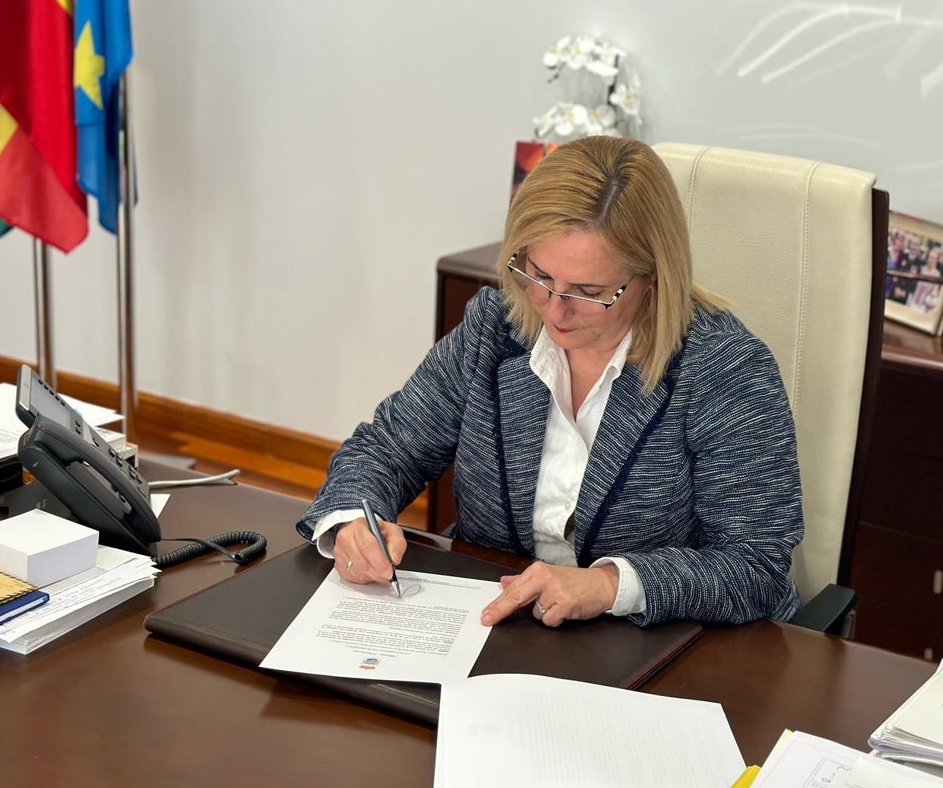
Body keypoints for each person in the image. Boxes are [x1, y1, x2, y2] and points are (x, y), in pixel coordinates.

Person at [295, 136, 804, 628]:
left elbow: (754, 565)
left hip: (659, 650)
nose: (555, 310)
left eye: (588, 290)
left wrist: (609, 585)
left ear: (653, 275)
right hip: (499, 628)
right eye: (538, 275)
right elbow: (386, 449)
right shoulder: (496, 327)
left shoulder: (724, 367)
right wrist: (351, 522)